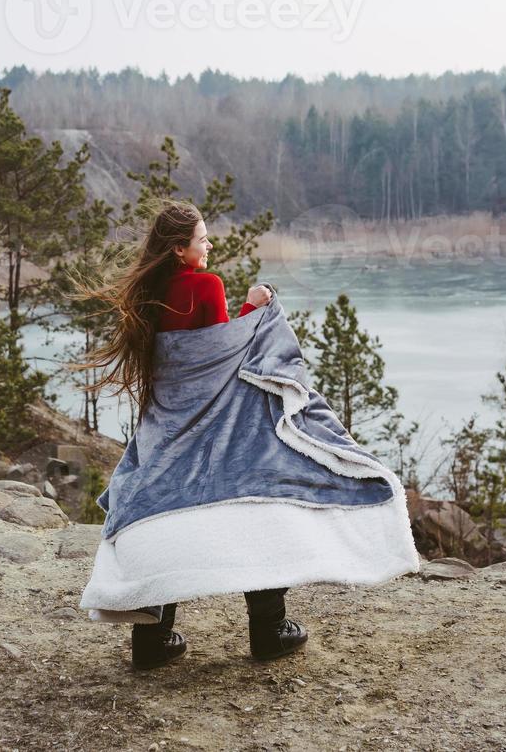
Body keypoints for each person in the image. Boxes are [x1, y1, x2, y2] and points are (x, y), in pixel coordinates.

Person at [68, 199, 308, 670]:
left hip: (164, 426)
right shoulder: (207, 284)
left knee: (163, 520)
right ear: (180, 249)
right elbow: (220, 358)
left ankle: (152, 642)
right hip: (210, 424)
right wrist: (253, 307)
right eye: (202, 239)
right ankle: (268, 631)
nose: (210, 244)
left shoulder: (147, 293)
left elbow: (182, 356)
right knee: (253, 504)